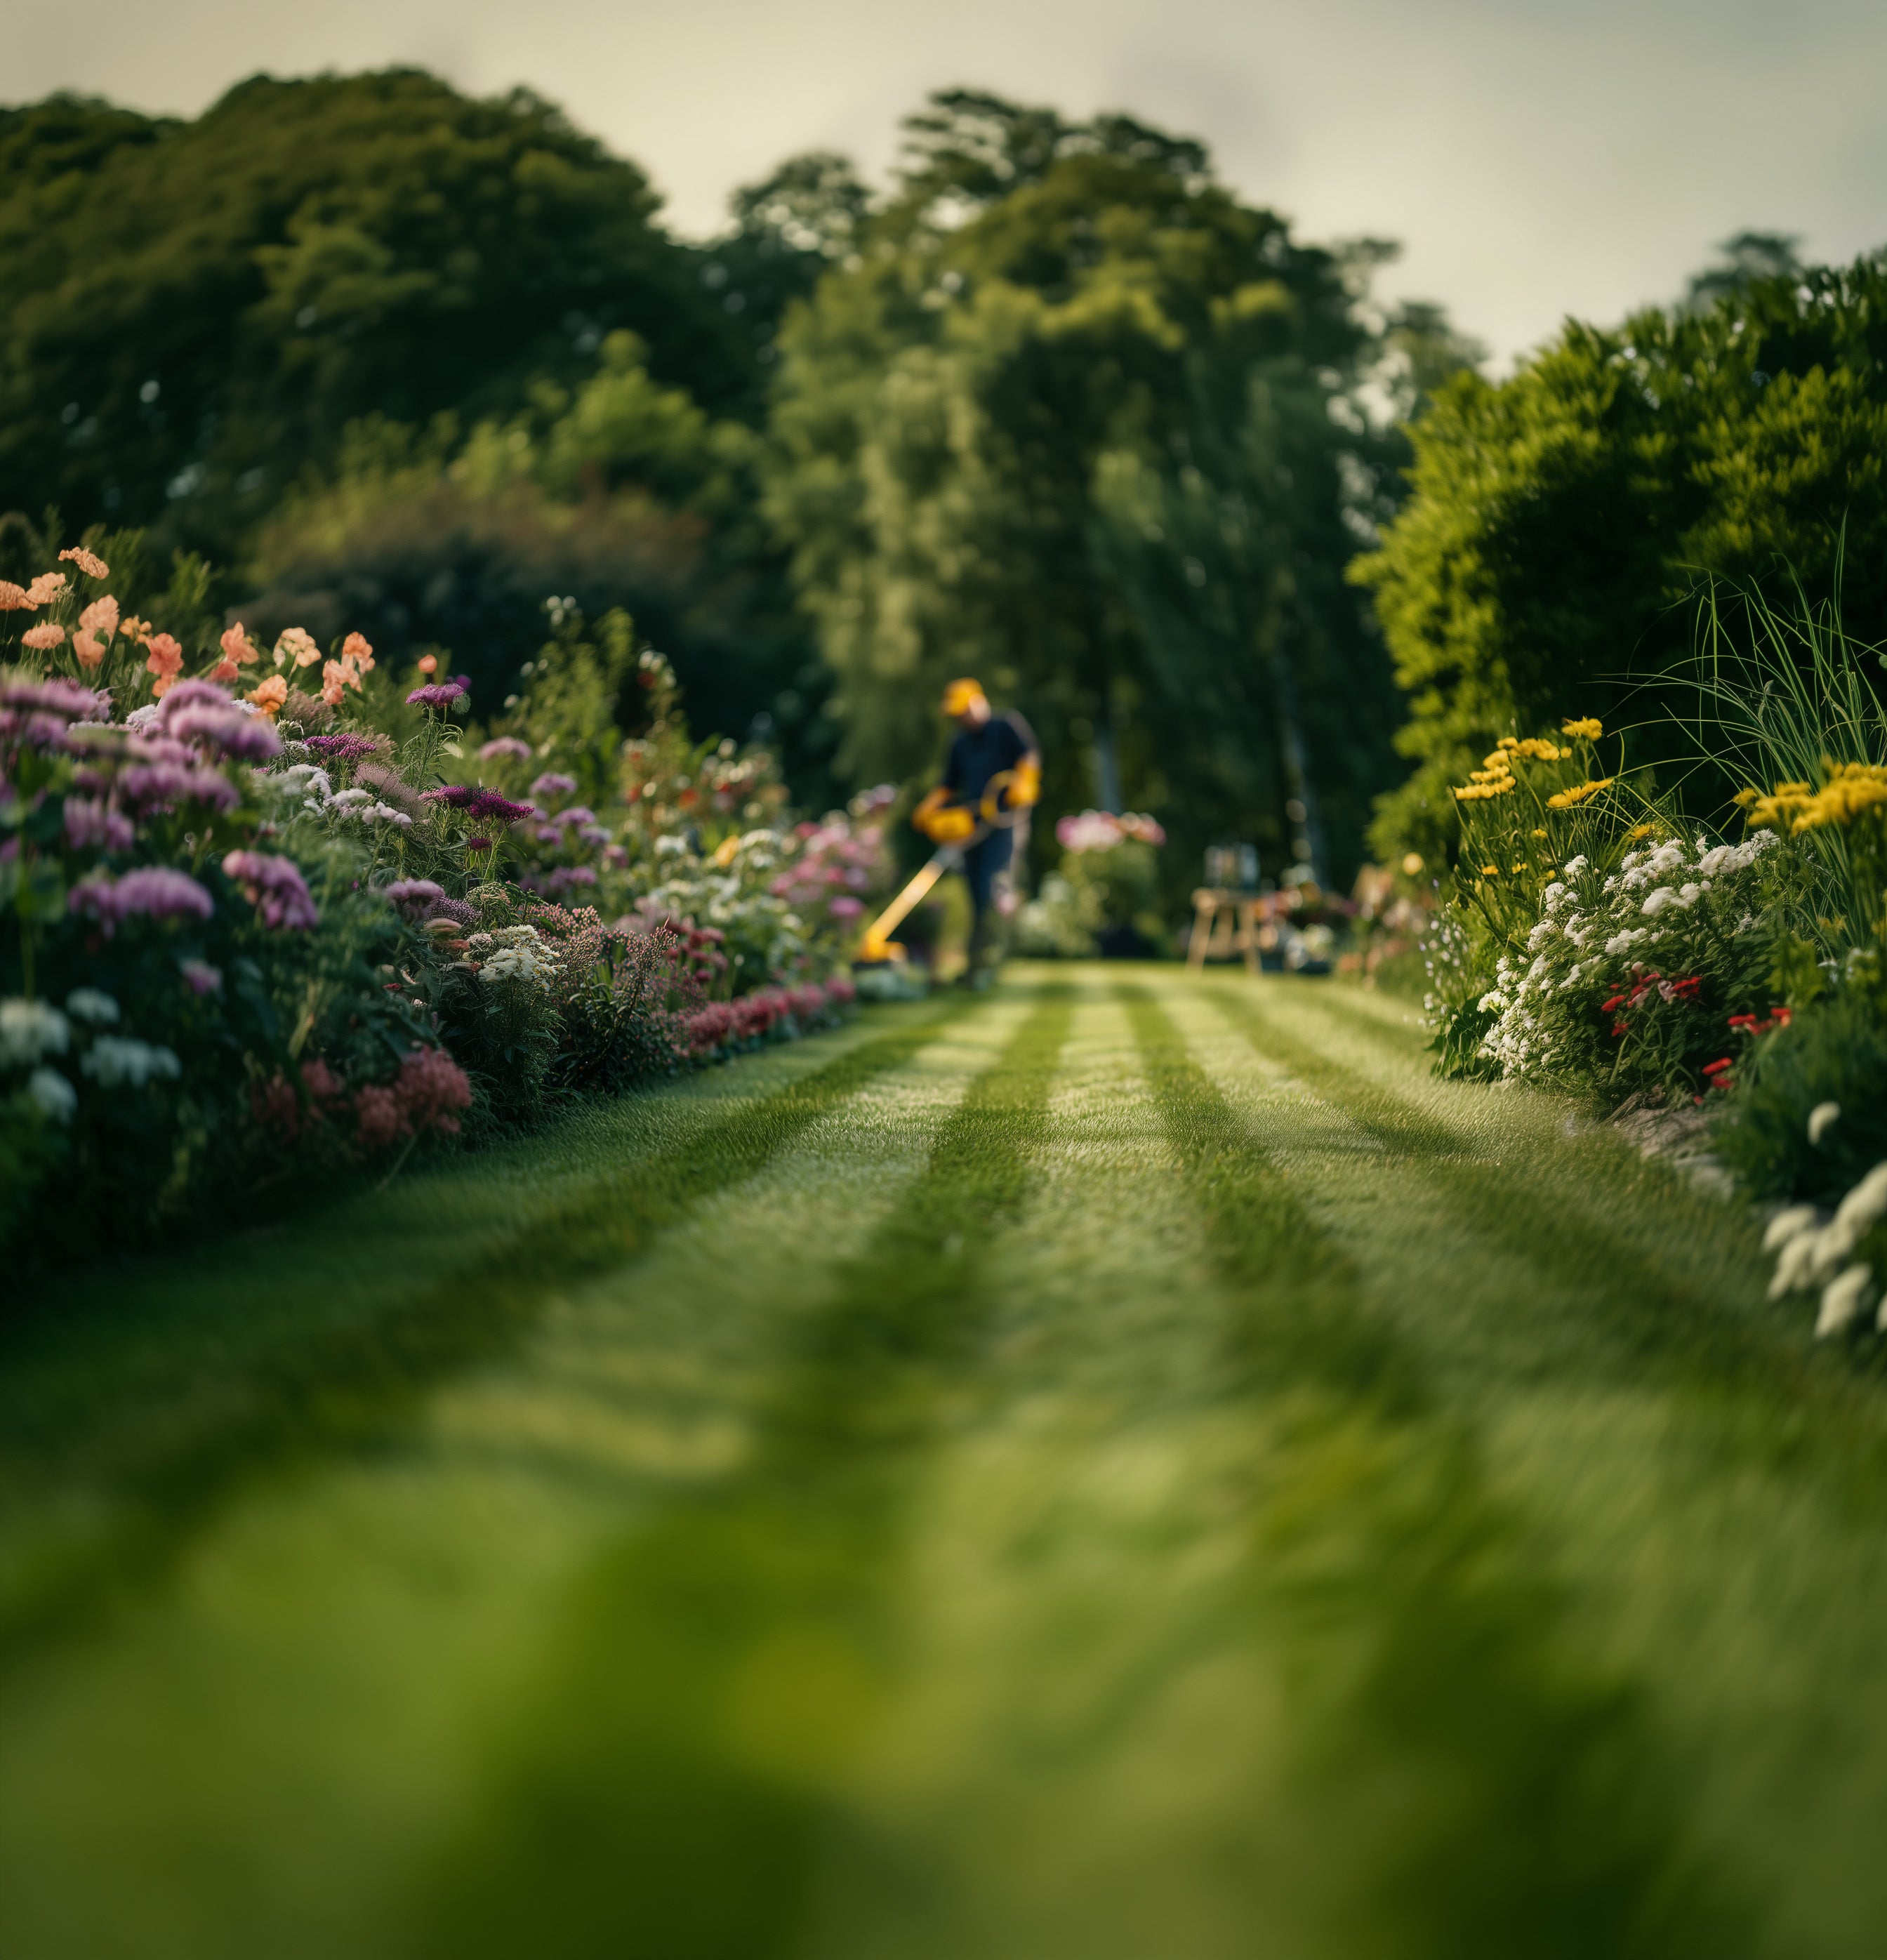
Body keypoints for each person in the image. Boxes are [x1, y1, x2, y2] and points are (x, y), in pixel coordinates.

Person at [912, 677, 1040, 985]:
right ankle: (975, 965)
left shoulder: (1006, 725)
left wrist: (1024, 782)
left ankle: (990, 961)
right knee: (974, 892)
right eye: (955, 715)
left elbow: (1030, 754)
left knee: (992, 887)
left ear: (977, 704)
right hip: (971, 826)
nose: (960, 719)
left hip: (1005, 821)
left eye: (963, 712)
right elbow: (948, 784)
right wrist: (930, 806)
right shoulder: (959, 742)